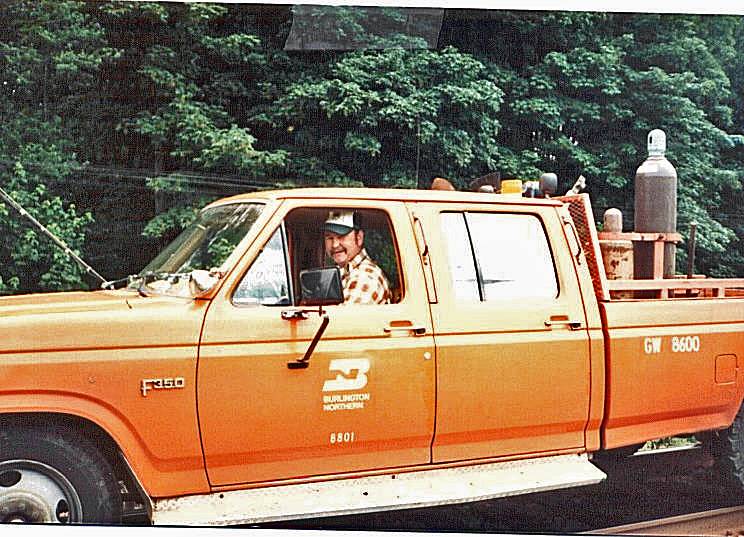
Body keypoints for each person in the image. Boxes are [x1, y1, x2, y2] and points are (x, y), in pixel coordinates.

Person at [323, 210, 391, 305]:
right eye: (329, 238)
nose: (335, 245)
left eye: (342, 237)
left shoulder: (366, 277)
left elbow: (343, 319)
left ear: (359, 238)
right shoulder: (344, 273)